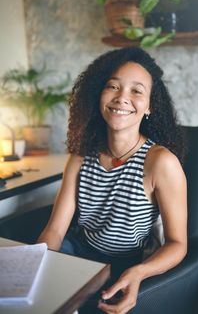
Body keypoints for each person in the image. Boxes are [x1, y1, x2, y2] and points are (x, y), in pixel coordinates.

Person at [38, 47, 187, 314]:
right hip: (77, 254)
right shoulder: (81, 156)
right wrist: (35, 268)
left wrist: (140, 272)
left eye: (136, 91)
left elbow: (178, 244)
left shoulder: (161, 162)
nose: (121, 98)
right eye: (112, 86)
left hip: (125, 264)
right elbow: (56, 230)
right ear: (99, 94)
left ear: (151, 105)